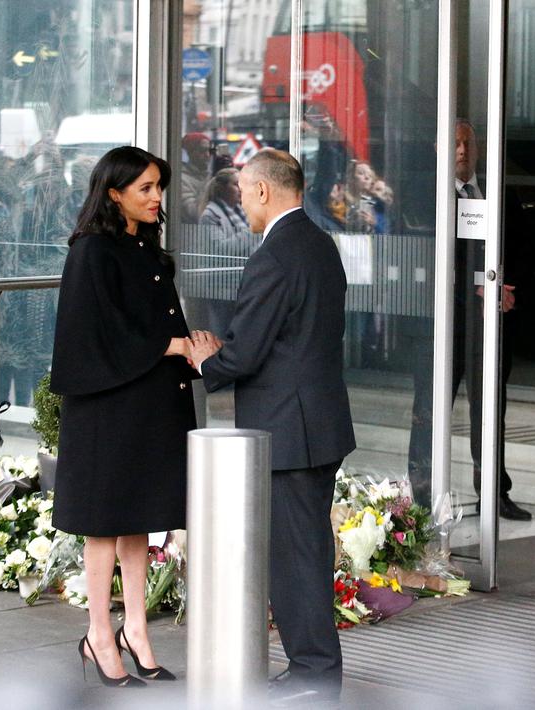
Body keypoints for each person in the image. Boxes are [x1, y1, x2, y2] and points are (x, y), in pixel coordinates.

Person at [188, 148, 355, 707]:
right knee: (306, 552)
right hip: (315, 422)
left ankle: (313, 673)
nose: (240, 200)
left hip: (290, 431)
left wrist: (206, 358)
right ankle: (313, 669)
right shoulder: (318, 242)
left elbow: (248, 350)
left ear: (262, 190)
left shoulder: (275, 255)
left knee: (297, 558)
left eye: (242, 191)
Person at [49, 146, 198, 687]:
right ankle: (97, 633)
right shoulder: (92, 251)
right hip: (109, 408)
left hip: (149, 402)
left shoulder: (145, 250)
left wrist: (185, 345)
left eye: (159, 186)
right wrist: (173, 344)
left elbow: (152, 322)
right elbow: (94, 335)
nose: (157, 197)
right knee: (104, 526)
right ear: (115, 194)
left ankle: (135, 629)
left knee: (137, 519)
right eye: (146, 189)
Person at [406, 118, 532, 520]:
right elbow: (425, 263)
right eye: (454, 144)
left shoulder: (497, 193)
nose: (462, 151)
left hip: (488, 326)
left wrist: (506, 286)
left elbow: (524, 250)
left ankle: (494, 492)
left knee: (490, 410)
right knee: (429, 410)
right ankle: (421, 496)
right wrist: (474, 288)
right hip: (442, 327)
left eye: (468, 143)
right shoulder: (427, 198)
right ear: (439, 150)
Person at [180, 132, 214, 223]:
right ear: (191, 152)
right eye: (202, 151)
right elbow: (195, 214)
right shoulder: (182, 179)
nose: (207, 155)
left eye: (209, 151)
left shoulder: (209, 176)